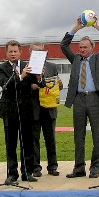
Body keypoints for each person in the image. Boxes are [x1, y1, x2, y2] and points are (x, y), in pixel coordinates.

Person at [60, 15, 99, 179]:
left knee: (97, 135)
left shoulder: (98, 58)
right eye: (80, 47)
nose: (82, 49)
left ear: (92, 47)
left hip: (95, 99)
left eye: (85, 47)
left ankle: (95, 167)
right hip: (79, 100)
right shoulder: (75, 59)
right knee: (79, 135)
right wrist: (76, 28)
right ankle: (79, 168)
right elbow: (63, 45)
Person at [0, 40, 39, 185]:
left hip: (26, 109)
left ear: (20, 52)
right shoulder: (0, 68)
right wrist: (21, 76)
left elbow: (38, 83)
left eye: (15, 51)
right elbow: (5, 85)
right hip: (9, 110)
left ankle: (27, 173)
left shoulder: (29, 65)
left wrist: (40, 77)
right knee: (11, 143)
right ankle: (12, 174)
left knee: (27, 142)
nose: (13, 54)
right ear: (6, 53)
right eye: (10, 51)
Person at [29, 42, 62, 177]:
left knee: (50, 139)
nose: (39, 54)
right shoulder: (26, 67)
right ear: (29, 52)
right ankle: (36, 168)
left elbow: (57, 86)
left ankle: (52, 166)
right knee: (34, 139)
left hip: (49, 108)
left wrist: (60, 85)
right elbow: (23, 86)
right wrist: (31, 86)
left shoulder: (52, 67)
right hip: (34, 108)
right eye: (35, 51)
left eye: (41, 51)